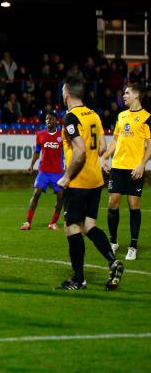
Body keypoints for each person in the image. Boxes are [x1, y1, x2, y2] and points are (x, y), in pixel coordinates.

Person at [56, 76, 123, 290]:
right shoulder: (93, 115)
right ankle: (113, 261)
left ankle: (78, 279)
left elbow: (80, 150)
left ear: (66, 93)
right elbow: (102, 147)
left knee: (71, 228)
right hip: (96, 180)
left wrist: (67, 177)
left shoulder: (70, 118)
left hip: (79, 182)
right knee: (89, 226)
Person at [101, 83, 151, 261]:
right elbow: (115, 140)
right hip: (117, 167)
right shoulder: (121, 115)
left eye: (127, 93)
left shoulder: (146, 117)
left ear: (137, 96)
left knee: (133, 205)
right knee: (112, 203)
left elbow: (150, 146)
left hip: (134, 169)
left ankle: (133, 245)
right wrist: (105, 157)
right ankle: (113, 241)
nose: (124, 95)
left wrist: (142, 164)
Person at [21, 111, 64, 230]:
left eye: (50, 119)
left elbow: (68, 152)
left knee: (61, 197)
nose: (48, 121)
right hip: (43, 171)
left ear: (56, 121)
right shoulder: (40, 135)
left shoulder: (62, 135)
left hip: (57, 172)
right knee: (36, 194)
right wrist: (31, 165)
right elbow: (37, 151)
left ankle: (53, 223)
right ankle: (28, 222)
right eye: (46, 119)